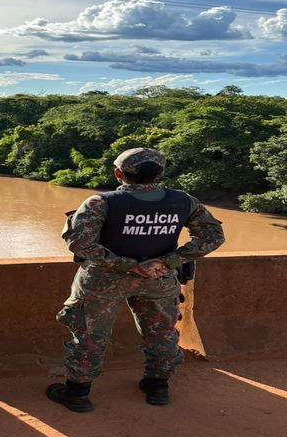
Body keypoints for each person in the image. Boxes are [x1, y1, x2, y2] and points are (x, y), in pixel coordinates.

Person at [47, 147, 224, 411]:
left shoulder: (100, 202)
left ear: (119, 173)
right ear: (160, 174)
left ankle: (77, 393)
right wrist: (168, 262)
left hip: (104, 281)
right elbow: (212, 237)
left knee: (89, 335)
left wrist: (127, 265)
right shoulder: (184, 201)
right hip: (159, 279)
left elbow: (80, 245)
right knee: (161, 332)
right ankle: (157, 387)